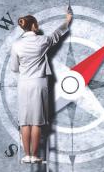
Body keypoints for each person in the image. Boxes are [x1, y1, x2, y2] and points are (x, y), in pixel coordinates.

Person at [9, 10, 73, 163]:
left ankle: (26, 156)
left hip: (23, 84)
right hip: (39, 83)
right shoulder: (42, 41)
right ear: (34, 25)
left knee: (24, 121)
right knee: (37, 121)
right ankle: (34, 155)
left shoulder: (16, 45)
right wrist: (67, 21)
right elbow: (56, 35)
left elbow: (14, 68)